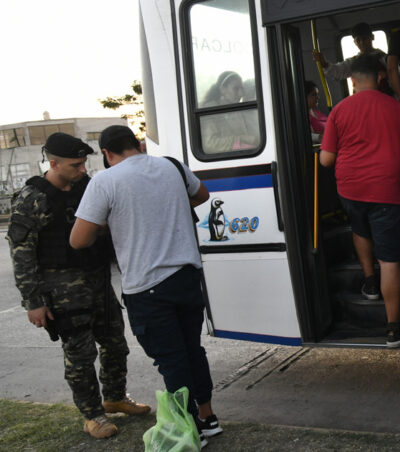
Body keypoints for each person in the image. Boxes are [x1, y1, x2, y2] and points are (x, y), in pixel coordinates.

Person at [69, 125, 223, 447]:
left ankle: (188, 428)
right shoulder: (171, 166)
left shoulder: (105, 181)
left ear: (107, 154)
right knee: (192, 350)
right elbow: (202, 195)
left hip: (148, 286)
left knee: (172, 360)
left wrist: (114, 220)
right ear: (138, 144)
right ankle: (208, 418)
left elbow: (78, 239)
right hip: (186, 276)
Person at [6, 132, 150, 439]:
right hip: (62, 289)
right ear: (54, 163)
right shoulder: (32, 198)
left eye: (84, 163)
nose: (83, 169)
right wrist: (33, 301)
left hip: (98, 281)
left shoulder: (89, 187)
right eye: (76, 165)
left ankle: (114, 397)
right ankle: (92, 414)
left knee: (115, 344)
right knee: (80, 355)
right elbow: (22, 254)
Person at [319, 54, 400, 347]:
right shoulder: (399, 108)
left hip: (350, 188)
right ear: (380, 78)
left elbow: (326, 160)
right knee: (389, 258)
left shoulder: (339, 111)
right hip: (387, 190)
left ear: (352, 80)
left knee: (359, 228)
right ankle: (393, 329)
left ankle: (368, 282)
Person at [200, 70, 259, 153]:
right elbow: (210, 144)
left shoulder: (238, 109)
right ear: (223, 89)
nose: (241, 94)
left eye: (242, 88)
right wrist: (241, 138)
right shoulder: (209, 110)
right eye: (236, 89)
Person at [313, 22, 388, 81]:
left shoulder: (384, 58)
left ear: (372, 37)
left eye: (365, 38)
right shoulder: (355, 62)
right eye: (358, 40)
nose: (362, 43)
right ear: (355, 42)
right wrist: (324, 63)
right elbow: (338, 71)